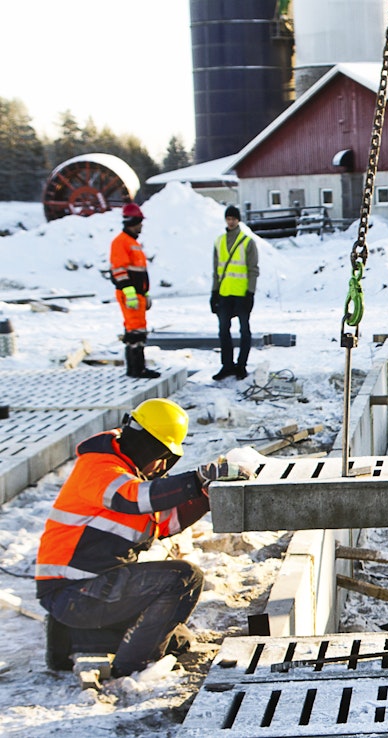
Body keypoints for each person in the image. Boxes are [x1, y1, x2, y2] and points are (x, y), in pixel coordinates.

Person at [34, 398, 254, 678]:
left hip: (86, 590)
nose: (163, 465)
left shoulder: (130, 476)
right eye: (162, 456)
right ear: (148, 447)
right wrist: (194, 481)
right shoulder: (101, 469)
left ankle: (69, 640)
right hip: (74, 592)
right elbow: (135, 498)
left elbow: (164, 523)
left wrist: (204, 496)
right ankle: (132, 670)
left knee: (177, 640)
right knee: (184, 578)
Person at [110, 203, 160, 379]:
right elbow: (119, 270)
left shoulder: (132, 243)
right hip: (129, 295)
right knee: (134, 332)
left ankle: (137, 368)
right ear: (134, 221)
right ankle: (136, 369)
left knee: (138, 330)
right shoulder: (121, 242)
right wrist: (130, 293)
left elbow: (139, 273)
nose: (142, 226)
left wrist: (144, 293)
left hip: (137, 294)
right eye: (140, 223)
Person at [211, 205, 259, 381]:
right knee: (223, 331)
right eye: (228, 218)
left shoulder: (247, 242)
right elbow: (216, 270)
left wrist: (250, 293)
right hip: (224, 294)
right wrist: (214, 292)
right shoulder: (219, 241)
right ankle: (227, 365)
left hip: (242, 294)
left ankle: (241, 365)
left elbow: (253, 270)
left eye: (233, 218)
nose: (230, 222)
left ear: (238, 220)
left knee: (244, 331)